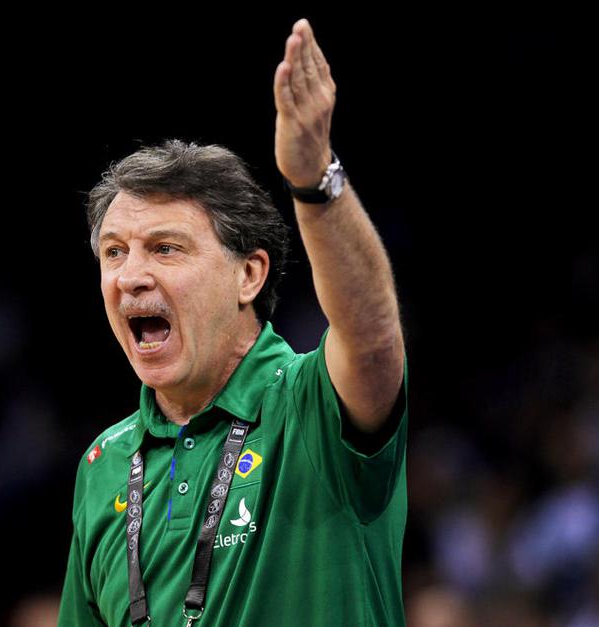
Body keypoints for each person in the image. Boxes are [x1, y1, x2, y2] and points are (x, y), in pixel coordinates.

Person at [58, 17, 408, 626]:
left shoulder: (311, 405)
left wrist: (314, 180)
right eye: (114, 252)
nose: (130, 276)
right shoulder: (104, 464)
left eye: (165, 248)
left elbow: (373, 339)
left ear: (249, 275)